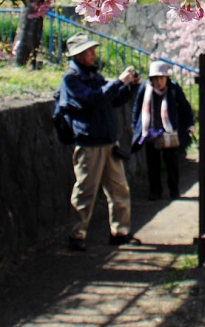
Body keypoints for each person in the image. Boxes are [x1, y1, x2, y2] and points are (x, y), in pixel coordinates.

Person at [60, 33, 141, 251]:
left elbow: (113, 100)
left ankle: (120, 232)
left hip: (108, 142)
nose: (93, 54)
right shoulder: (71, 80)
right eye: (89, 51)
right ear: (78, 55)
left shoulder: (94, 77)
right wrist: (119, 81)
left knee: (119, 189)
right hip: (89, 144)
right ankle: (76, 235)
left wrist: (129, 86)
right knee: (86, 190)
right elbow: (93, 100)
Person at [131, 60, 196, 200]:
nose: (159, 81)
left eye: (161, 77)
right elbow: (137, 106)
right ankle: (155, 191)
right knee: (153, 164)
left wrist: (189, 124)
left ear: (167, 78)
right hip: (150, 132)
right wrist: (134, 124)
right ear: (151, 78)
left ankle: (174, 190)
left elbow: (184, 106)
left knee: (171, 163)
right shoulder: (145, 88)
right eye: (155, 78)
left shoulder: (173, 89)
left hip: (169, 132)